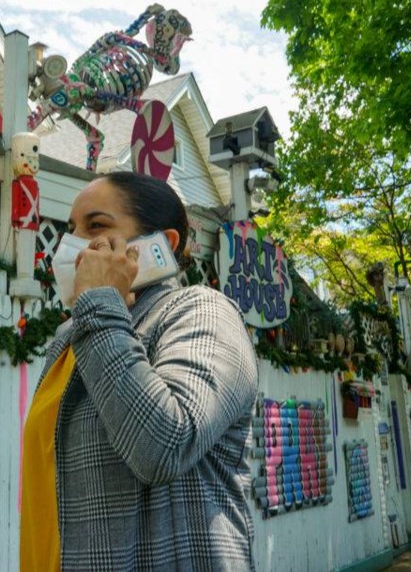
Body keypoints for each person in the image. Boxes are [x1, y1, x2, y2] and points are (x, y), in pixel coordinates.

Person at [20, 171, 258, 571]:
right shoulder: (72, 336)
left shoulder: (202, 311)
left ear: (162, 245)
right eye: (71, 229)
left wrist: (97, 301)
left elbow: (164, 445)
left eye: (96, 226)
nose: (75, 245)